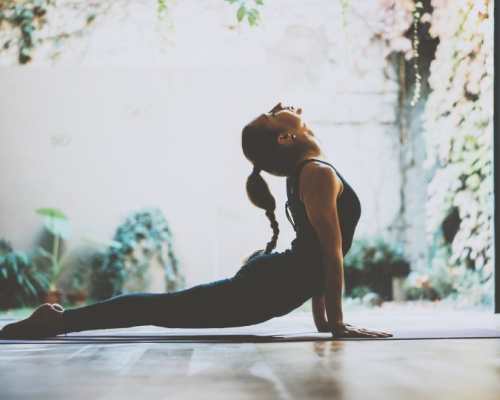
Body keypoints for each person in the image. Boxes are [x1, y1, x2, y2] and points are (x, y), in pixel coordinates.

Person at [0, 103, 392, 340]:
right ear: (286, 138)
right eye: (273, 113)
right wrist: (336, 323)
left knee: (163, 309)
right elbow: (328, 254)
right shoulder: (316, 173)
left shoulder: (309, 172)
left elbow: (317, 256)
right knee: (161, 308)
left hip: (273, 286)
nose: (281, 106)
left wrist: (326, 322)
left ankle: (58, 320)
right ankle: (58, 320)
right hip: (267, 287)